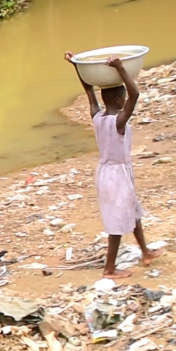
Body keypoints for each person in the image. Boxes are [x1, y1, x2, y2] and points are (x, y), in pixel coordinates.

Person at [65, 52, 162, 279]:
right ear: (119, 101)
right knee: (116, 222)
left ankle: (145, 251)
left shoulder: (97, 117)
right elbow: (135, 94)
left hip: (109, 172)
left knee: (133, 210)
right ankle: (109, 268)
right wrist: (119, 68)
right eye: (122, 98)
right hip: (116, 175)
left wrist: (76, 66)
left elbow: (89, 90)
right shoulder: (118, 121)